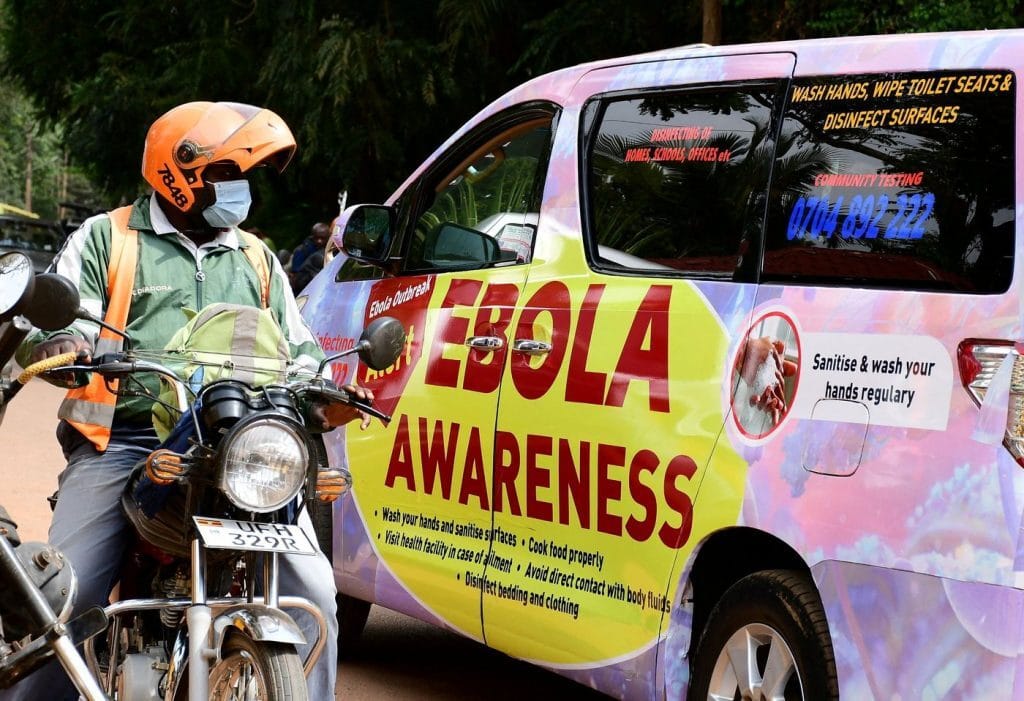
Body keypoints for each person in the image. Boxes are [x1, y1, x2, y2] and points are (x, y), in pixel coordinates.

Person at [6, 101, 364, 700]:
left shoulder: (255, 256)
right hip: (123, 443)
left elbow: (297, 346)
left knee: (316, 597)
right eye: (229, 175)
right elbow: (54, 325)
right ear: (181, 171)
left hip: (239, 446)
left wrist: (320, 382)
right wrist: (71, 344)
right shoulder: (108, 238)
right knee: (61, 601)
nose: (241, 191)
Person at [290, 221, 330, 291]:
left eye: (322, 238)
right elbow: (295, 277)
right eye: (316, 238)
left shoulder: (331, 250)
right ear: (312, 236)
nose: (319, 241)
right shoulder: (301, 251)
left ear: (328, 237)